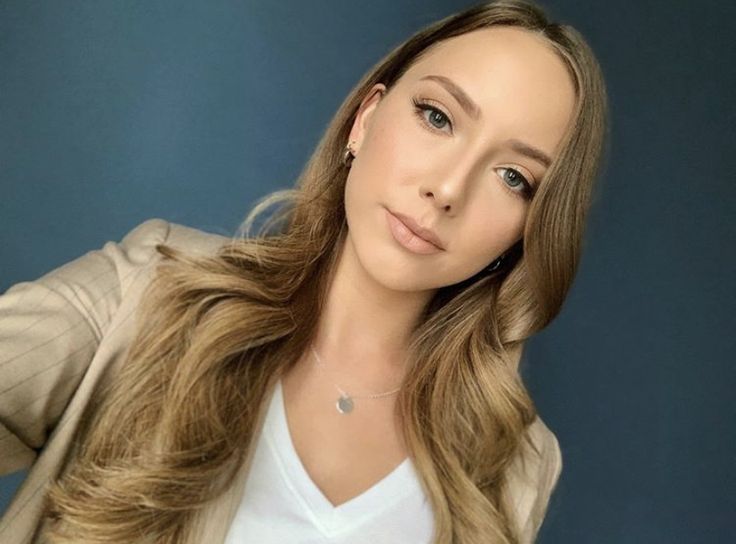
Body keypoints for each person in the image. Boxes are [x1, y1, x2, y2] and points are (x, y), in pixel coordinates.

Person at [0, 0, 608, 542]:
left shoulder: (518, 461)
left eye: (513, 177)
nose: (448, 189)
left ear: (529, 229)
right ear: (365, 120)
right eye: (437, 117)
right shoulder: (151, 290)